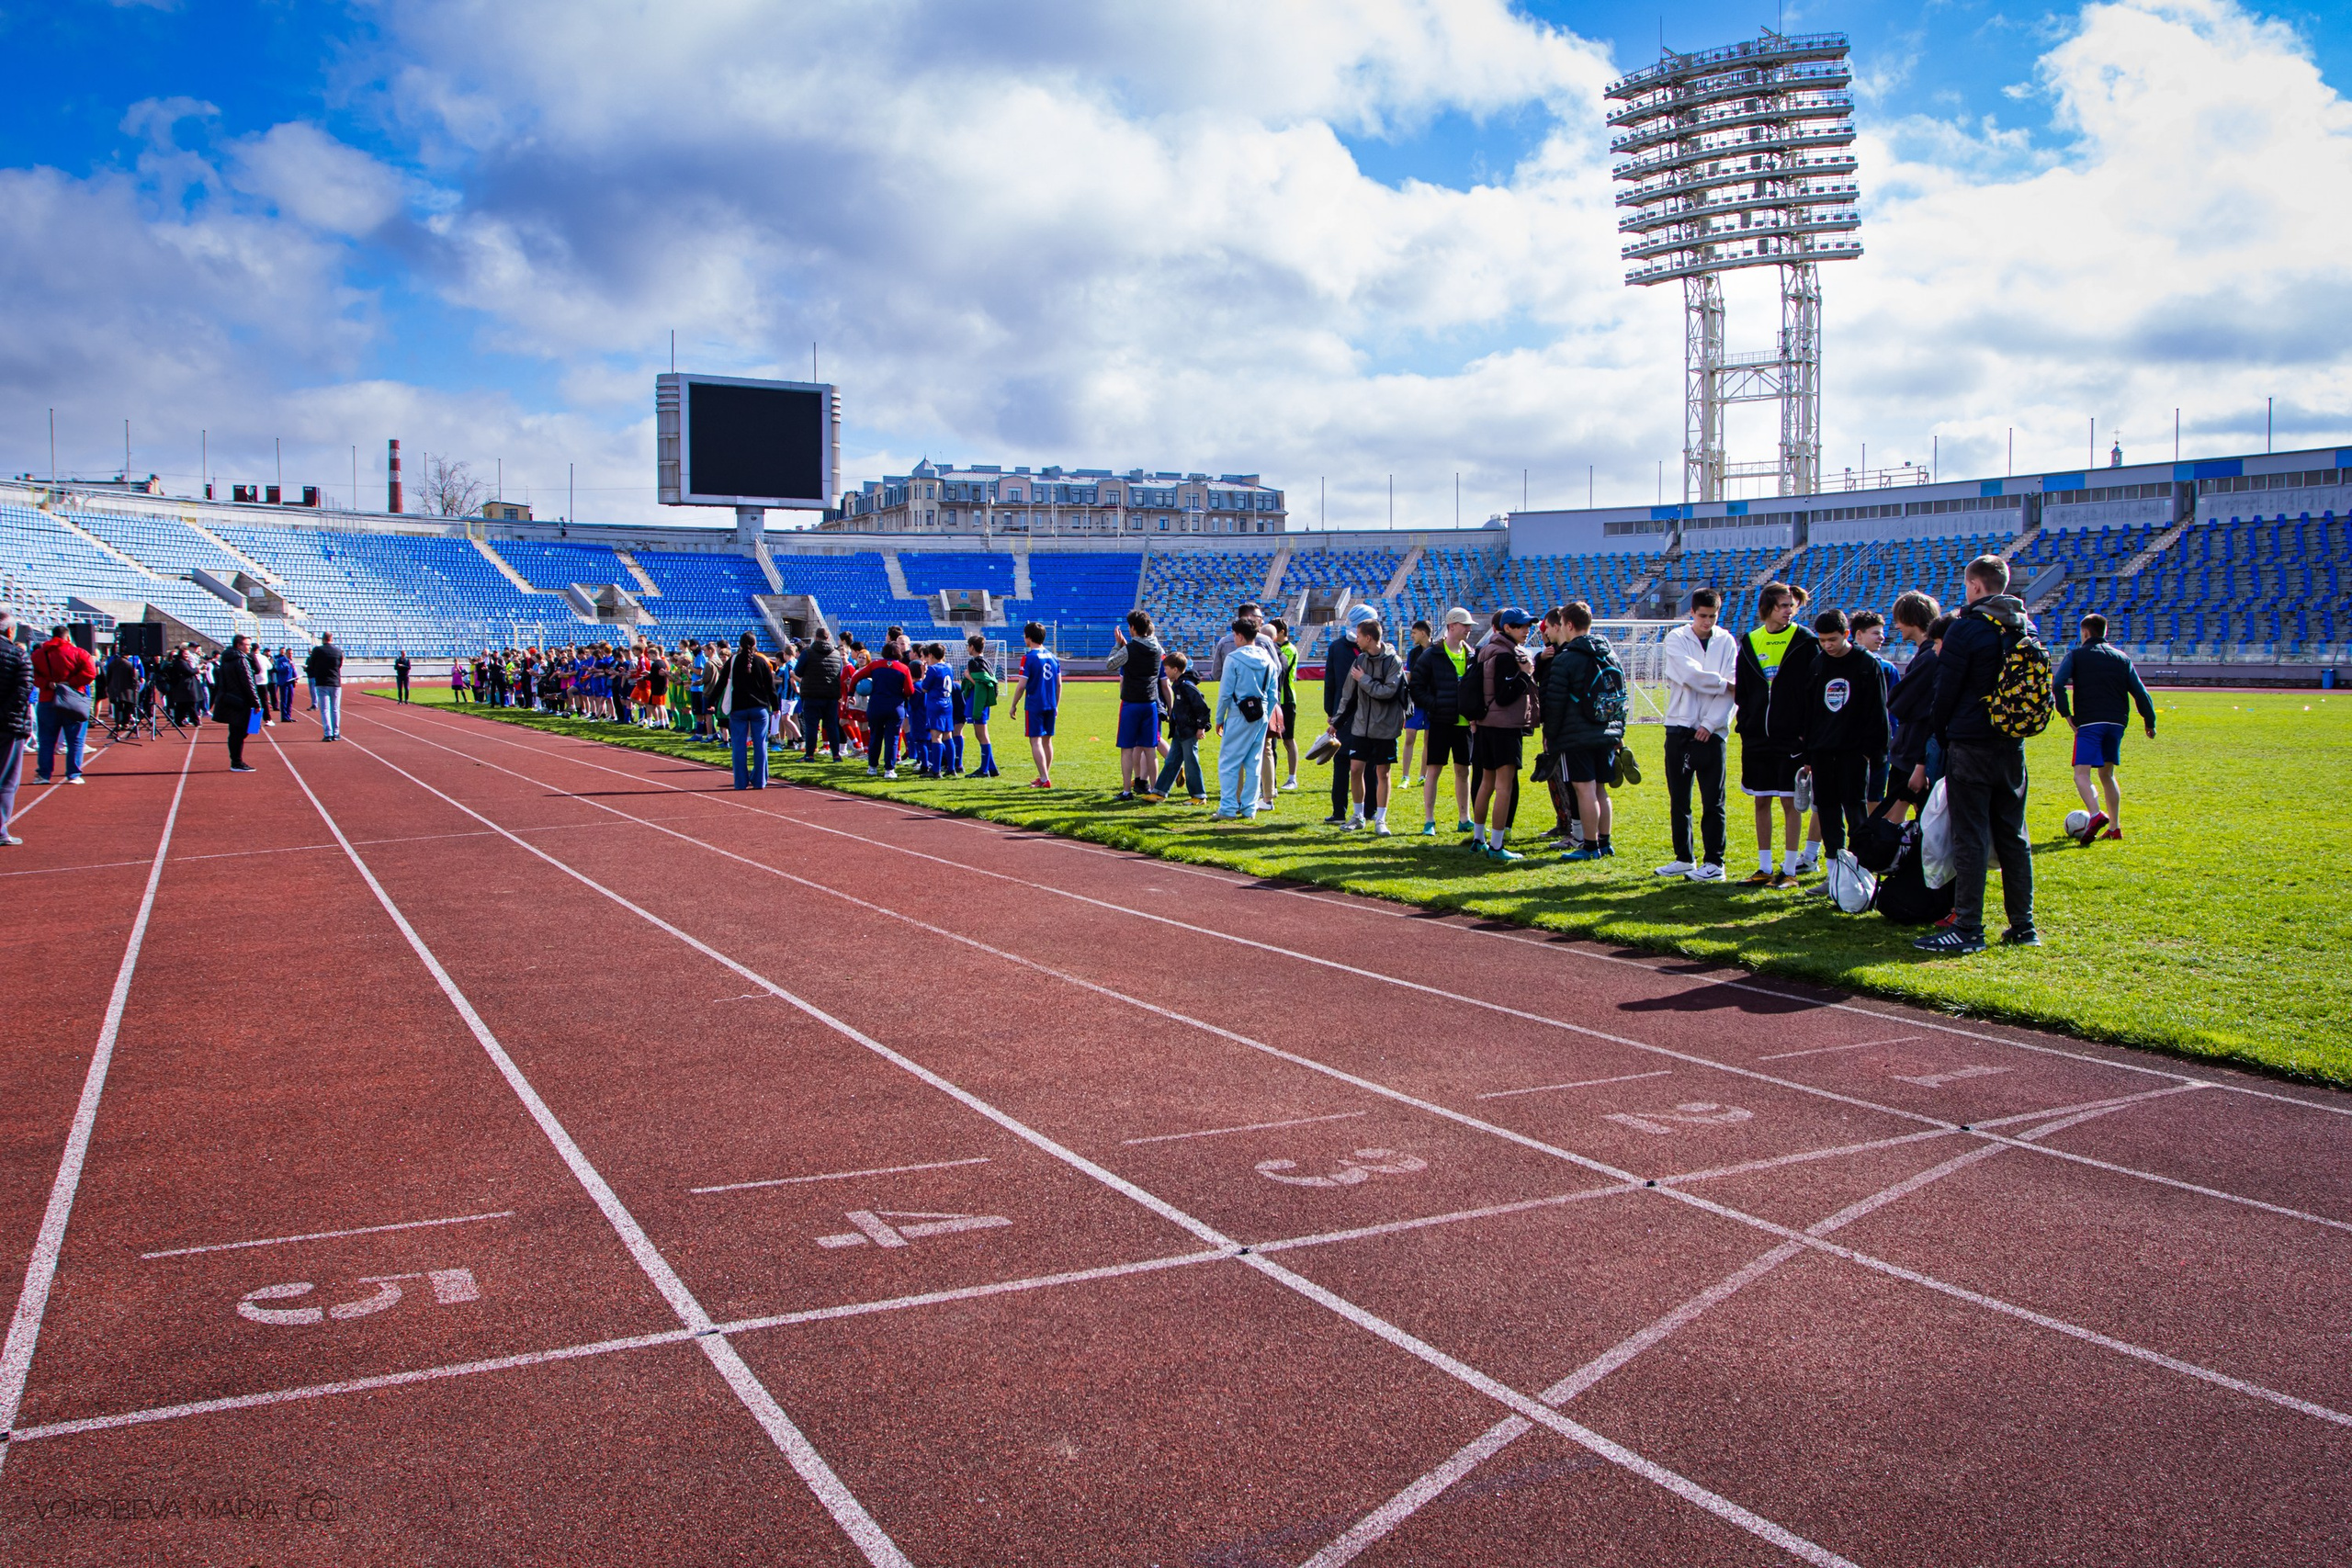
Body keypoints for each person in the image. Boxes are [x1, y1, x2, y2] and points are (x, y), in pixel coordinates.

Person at [1918, 554, 2039, 954]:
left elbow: (1945, 691)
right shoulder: (2024, 626)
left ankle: (1968, 926)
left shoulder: (1968, 628)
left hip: (1971, 741)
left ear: (1974, 586)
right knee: (2013, 836)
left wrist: (1942, 734)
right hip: (2012, 743)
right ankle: (2023, 925)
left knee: (1969, 836)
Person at [1783, 609, 1890, 879]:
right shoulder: (1818, 665)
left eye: (1833, 639)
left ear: (1846, 635)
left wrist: (1871, 754)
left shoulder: (1866, 664)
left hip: (1853, 754)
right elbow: (1810, 712)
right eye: (1822, 641)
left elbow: (1878, 712)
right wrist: (1808, 753)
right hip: (1821, 752)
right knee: (1828, 814)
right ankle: (1834, 877)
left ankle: (1859, 875)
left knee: (1856, 815)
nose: (1828, 645)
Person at [1733, 582, 1814, 886]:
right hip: (1757, 739)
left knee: (1790, 803)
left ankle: (1790, 871)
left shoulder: (1804, 640)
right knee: (1761, 800)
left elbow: (1811, 689)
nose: (1788, 611)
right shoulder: (1751, 640)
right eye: (1782, 605)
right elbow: (1743, 690)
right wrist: (1747, 724)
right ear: (1767, 607)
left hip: (1791, 739)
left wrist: (1805, 732)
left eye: (1791, 605)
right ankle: (1764, 868)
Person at [1655, 588, 1736, 881]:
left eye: (1712, 616)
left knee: (1713, 799)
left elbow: (1734, 688)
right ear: (1692, 613)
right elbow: (1688, 674)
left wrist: (1710, 724)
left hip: (1713, 732)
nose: (1707, 621)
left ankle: (1715, 862)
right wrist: (1722, 684)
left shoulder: (1727, 640)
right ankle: (1684, 858)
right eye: (1702, 616)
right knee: (1680, 798)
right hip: (1679, 725)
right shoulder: (1677, 638)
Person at [2053, 611, 2156, 842]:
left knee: (2081, 774)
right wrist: (2149, 722)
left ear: (2085, 632)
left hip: (2090, 721)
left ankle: (2096, 813)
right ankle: (2115, 827)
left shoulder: (2077, 655)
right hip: (2117, 722)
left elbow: (2058, 684)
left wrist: (2066, 714)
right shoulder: (2121, 658)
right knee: (2107, 774)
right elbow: (2141, 693)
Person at [1542, 602, 1626, 863]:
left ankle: (1589, 845)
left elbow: (1554, 702)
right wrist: (1618, 730)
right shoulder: (1608, 653)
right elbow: (1620, 695)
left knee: (1584, 789)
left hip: (1576, 734)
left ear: (1568, 625)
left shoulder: (1566, 658)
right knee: (1602, 788)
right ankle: (1605, 842)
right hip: (1607, 730)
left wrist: (1551, 735)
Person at [1467, 607, 1537, 862]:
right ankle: (1496, 846)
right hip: (1504, 726)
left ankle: (1479, 838)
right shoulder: (1507, 655)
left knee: (1486, 782)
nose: (1526, 631)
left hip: (1485, 724)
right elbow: (1506, 695)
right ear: (1507, 628)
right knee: (1503, 786)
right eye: (1520, 626)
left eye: (1527, 626)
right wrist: (1526, 674)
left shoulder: (1485, 649)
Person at [1333, 615, 1408, 833]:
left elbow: (1388, 692)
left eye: (1358, 636)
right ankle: (1358, 816)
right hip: (1361, 726)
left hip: (1385, 728)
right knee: (1355, 769)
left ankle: (1381, 820)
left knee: (1382, 773)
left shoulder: (1393, 662)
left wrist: (1364, 680)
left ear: (1368, 637)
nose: (1356, 640)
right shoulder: (1359, 661)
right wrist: (1337, 722)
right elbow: (1348, 695)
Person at [1410, 606, 1477, 838]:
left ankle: (1464, 818)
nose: (1469, 629)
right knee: (1434, 770)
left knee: (1463, 771)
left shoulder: (1471, 654)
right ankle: (1429, 820)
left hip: (1464, 725)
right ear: (1451, 626)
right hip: (1439, 722)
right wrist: (1435, 704)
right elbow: (1416, 687)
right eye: (1465, 625)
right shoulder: (1432, 655)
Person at [1881, 592, 1941, 828]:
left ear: (1912, 619)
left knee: (1897, 817)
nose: (1896, 625)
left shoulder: (1929, 657)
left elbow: (1899, 701)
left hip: (1913, 750)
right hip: (1913, 748)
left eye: (1899, 619)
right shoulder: (1926, 653)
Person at [1215, 616, 1281, 821]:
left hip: (1237, 714)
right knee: (1254, 762)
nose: (1233, 638)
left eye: (1235, 635)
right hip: (1260, 715)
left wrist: (1219, 718)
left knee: (1229, 763)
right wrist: (1266, 716)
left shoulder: (1233, 659)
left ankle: (1227, 808)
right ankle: (1250, 808)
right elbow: (1273, 695)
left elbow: (1225, 693)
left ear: (1240, 636)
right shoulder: (1268, 660)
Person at [1320, 609, 1376, 824]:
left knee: (1368, 762)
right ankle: (1339, 811)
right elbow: (1330, 682)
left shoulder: (1375, 650)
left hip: (1368, 713)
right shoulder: (1337, 648)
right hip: (1345, 714)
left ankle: (1369, 810)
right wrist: (1331, 712)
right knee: (1343, 761)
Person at [1105, 610, 1167, 800]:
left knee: (1127, 748)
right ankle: (1156, 790)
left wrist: (1118, 645)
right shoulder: (1157, 649)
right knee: (1150, 748)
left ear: (1132, 628)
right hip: (1150, 703)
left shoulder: (1129, 649)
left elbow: (1111, 664)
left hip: (1131, 703)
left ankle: (1126, 791)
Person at [30, 625, 96, 785]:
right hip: (73, 701)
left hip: (47, 700)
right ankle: (73, 774)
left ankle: (44, 775)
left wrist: (49, 684)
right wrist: (70, 683)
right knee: (75, 740)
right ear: (68, 637)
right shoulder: (80, 653)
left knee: (46, 740)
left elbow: (32, 675)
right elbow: (90, 673)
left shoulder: (38, 655)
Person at [715, 631, 778, 789]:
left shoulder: (733, 661)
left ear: (740, 644)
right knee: (760, 744)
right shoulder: (763, 661)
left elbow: (721, 683)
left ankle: (740, 782)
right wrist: (775, 706)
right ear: (755, 644)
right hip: (760, 708)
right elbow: (771, 688)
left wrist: (710, 701)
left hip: (739, 708)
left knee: (738, 745)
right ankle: (760, 780)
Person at [1849, 612, 1899, 806]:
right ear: (1858, 635)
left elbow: (1893, 709)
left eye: (1882, 633)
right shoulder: (1838, 664)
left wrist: (1891, 737)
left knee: (1875, 795)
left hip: (1878, 744)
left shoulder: (1887, 669)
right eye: (1876, 633)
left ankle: (1869, 835)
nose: (1882, 637)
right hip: (1848, 744)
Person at [1003, 622, 1060, 788]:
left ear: (1028, 637)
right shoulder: (1053, 656)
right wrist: (1056, 704)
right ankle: (1044, 775)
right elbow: (1059, 684)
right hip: (1050, 704)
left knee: (1035, 741)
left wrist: (1013, 704)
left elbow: (1021, 685)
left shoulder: (1028, 658)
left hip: (1035, 704)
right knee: (1047, 741)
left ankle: (1044, 778)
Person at [1152, 650, 1211, 803]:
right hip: (1180, 730)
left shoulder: (1186, 686)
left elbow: (1202, 708)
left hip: (1189, 731)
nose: (1164, 672)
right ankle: (1160, 792)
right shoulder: (1178, 685)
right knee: (1171, 761)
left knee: (1191, 763)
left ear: (1175, 670)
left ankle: (1199, 795)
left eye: (1166, 669)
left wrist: (1201, 727)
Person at [213, 632, 265, 773]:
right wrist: (256, 702)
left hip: (232, 699)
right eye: (247, 645)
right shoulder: (241, 660)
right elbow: (248, 682)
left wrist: (251, 656)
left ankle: (236, 761)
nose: (249, 648)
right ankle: (237, 762)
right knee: (240, 731)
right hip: (241, 700)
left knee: (237, 731)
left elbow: (257, 670)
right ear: (238, 645)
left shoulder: (228, 658)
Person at [0, 611, 30, 845]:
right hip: (8, 725)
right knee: (6, 780)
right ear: (11, 631)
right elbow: (23, 691)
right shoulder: (19, 655)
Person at [960, 634, 999, 777]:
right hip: (982, 703)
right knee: (982, 734)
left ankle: (984, 770)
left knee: (981, 735)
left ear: (972, 647)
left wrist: (968, 676)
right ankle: (992, 768)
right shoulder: (987, 662)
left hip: (978, 703)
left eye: (968, 646)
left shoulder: (974, 663)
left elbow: (982, 685)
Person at [1270, 618, 1302, 790]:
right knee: (1270, 742)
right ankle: (1268, 779)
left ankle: (1292, 778)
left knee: (1288, 740)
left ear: (1281, 632)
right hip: (1275, 700)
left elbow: (1280, 671)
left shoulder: (1289, 650)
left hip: (1286, 700)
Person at [1398, 619, 1431, 786]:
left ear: (1423, 633)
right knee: (1410, 736)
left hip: (1432, 701)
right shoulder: (1414, 653)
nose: (1412, 636)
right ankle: (1405, 776)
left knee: (1428, 739)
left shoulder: (1438, 650)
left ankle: (1422, 776)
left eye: (1414, 633)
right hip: (1416, 701)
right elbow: (1409, 676)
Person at [917, 643, 956, 777]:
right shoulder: (949, 666)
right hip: (948, 704)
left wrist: (923, 672)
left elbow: (924, 688)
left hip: (936, 705)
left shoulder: (933, 669)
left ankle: (936, 770)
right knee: (948, 736)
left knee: (936, 737)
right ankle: (951, 768)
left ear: (931, 655)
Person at [305, 633, 345, 740]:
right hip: (335, 682)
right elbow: (339, 665)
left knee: (325, 709)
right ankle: (336, 733)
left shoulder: (317, 650)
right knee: (335, 709)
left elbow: (312, 665)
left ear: (323, 639)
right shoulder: (338, 651)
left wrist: (308, 669)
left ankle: (328, 733)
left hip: (322, 682)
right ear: (332, 638)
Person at [269, 646, 297, 723]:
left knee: (290, 700)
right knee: (284, 700)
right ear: (286, 653)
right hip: (284, 682)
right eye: (289, 653)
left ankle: (289, 715)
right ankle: (284, 717)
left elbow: (293, 671)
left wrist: (296, 676)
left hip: (291, 682)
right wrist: (288, 666)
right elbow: (280, 670)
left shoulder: (292, 661)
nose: (291, 655)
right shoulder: (281, 660)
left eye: (292, 654)